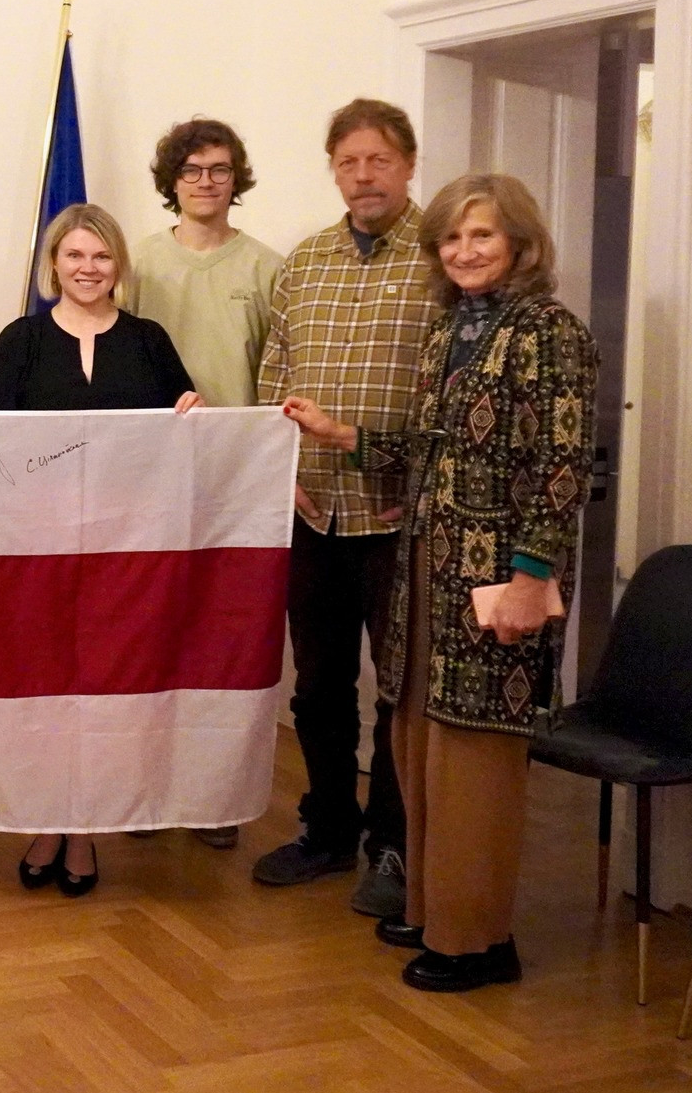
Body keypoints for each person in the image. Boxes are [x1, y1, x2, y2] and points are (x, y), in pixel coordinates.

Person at [284, 173, 596, 991]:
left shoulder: (548, 330)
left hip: (498, 579)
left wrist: (531, 577)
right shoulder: (450, 328)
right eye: (452, 237)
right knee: (419, 741)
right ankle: (432, 910)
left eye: (481, 234)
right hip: (426, 568)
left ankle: (479, 939)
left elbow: (562, 468)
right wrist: (339, 432)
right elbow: (426, 447)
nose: (464, 250)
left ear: (519, 243)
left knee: (475, 762)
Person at [251, 98, 437, 921]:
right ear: (333, 170)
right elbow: (274, 367)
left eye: (379, 160)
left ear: (408, 165)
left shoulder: (441, 258)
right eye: (348, 162)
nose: (364, 176)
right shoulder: (305, 261)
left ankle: (394, 845)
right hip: (312, 510)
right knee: (319, 685)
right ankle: (327, 827)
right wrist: (280, 464)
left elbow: (444, 397)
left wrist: (389, 459)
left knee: (399, 691)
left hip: (398, 516)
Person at [0, 203, 203, 898]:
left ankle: (86, 829)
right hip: (38, 553)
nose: (88, 268)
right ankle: (48, 819)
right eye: (75, 255)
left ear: (118, 265)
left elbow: (187, 429)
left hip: (125, 555)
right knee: (48, 691)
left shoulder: (148, 340)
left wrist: (195, 416)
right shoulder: (19, 339)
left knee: (108, 690)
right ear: (53, 264)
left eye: (101, 255)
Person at [127, 117, 284, 851]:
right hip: (148, 479)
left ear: (236, 178)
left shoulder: (267, 268)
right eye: (191, 169)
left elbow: (279, 375)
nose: (206, 181)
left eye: (219, 169)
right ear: (172, 180)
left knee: (219, 640)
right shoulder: (137, 263)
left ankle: (212, 795)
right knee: (149, 632)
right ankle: (143, 788)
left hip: (234, 482)